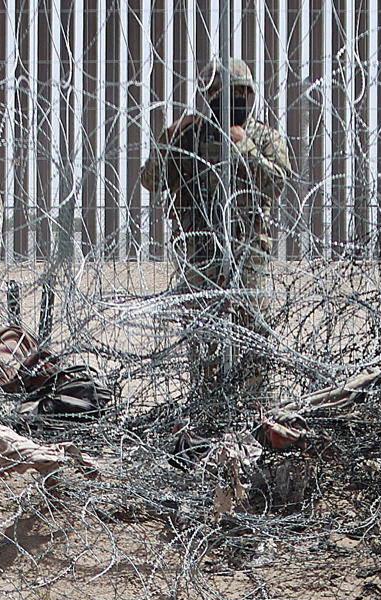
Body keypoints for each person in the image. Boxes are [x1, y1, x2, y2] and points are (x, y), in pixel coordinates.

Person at [139, 57, 292, 405]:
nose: (237, 101)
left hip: (247, 260)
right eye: (229, 94)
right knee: (206, 355)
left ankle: (255, 423)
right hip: (200, 258)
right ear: (212, 97)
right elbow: (152, 181)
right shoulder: (190, 135)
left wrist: (243, 147)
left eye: (243, 94)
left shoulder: (263, 136)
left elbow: (277, 183)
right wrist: (168, 141)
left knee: (253, 353)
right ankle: (208, 424)